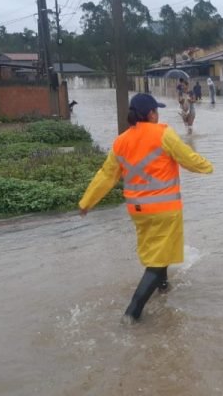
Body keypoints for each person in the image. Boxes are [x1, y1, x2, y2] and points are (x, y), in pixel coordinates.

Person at [78, 93, 213, 323]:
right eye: (156, 111)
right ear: (151, 114)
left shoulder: (120, 142)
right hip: (164, 209)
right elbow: (188, 159)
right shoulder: (164, 133)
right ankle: (132, 312)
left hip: (138, 212)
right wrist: (208, 167)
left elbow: (106, 176)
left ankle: (163, 287)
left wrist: (86, 202)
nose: (158, 114)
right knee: (157, 260)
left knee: (157, 250)